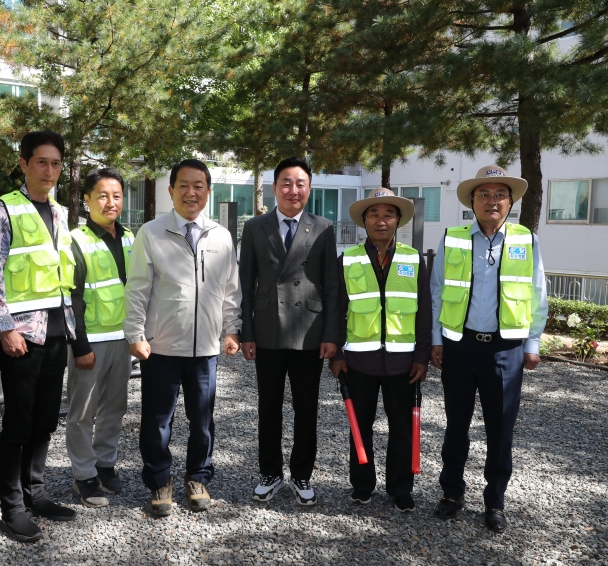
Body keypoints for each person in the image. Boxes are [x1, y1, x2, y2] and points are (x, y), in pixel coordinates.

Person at [430, 165, 548, 533]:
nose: (492, 201)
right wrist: (437, 340)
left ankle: (494, 501)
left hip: (506, 350)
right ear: (471, 201)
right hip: (460, 346)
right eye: (484, 194)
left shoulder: (526, 240)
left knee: (500, 430)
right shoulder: (452, 238)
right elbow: (437, 294)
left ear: (510, 202)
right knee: (456, 426)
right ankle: (451, 493)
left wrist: (532, 343)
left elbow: (537, 294)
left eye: (500, 194)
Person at [124, 158, 242, 517]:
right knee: (157, 419)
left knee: (203, 419)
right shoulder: (151, 233)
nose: (191, 193)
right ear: (172, 190)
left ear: (208, 190)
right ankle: (160, 479)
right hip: (161, 346)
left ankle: (198, 476)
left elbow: (230, 289)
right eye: (184, 186)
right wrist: (135, 334)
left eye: (199, 186)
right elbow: (137, 289)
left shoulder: (220, 235)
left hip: (205, 349)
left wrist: (232, 328)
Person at [0, 130, 77, 543]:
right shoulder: (3, 211)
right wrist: (5, 329)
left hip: (56, 333)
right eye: (41, 162)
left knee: (45, 419)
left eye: (55, 163)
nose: (49, 170)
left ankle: (35, 494)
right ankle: (11, 508)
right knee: (17, 423)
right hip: (22, 336)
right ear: (23, 164)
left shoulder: (60, 212)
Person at [239, 157, 342, 506]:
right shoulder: (255, 227)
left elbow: (331, 285)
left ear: (309, 188)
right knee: (268, 407)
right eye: (286, 183)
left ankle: (301, 474)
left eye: (300, 183)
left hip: (309, 331)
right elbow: (246, 285)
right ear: (275, 187)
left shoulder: (324, 228)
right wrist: (246, 333)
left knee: (306, 408)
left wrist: (331, 334)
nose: (293, 190)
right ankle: (270, 473)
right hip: (267, 330)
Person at [328, 188, 431, 513]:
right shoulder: (348, 259)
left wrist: (421, 356)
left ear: (398, 220)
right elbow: (335, 310)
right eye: (374, 214)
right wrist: (337, 355)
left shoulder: (413, 259)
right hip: (358, 363)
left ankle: (400, 488)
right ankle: (362, 485)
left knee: (402, 429)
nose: (381, 220)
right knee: (360, 427)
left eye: (388, 214)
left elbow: (425, 311)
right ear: (364, 221)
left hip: (404, 364)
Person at [66, 167, 134, 508]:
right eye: (102, 195)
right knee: (82, 412)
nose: (111, 202)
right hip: (91, 342)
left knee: (114, 407)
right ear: (87, 199)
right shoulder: (76, 241)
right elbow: (72, 297)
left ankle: (105, 464)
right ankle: (84, 475)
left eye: (117, 195)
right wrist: (80, 345)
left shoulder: (129, 237)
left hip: (123, 339)